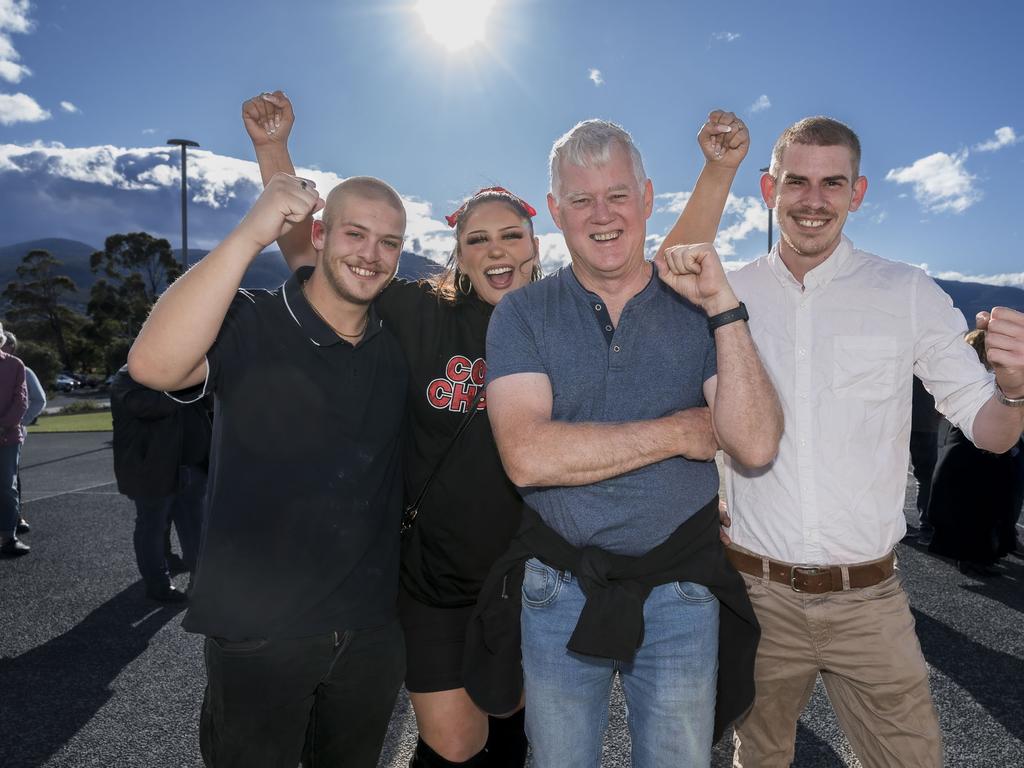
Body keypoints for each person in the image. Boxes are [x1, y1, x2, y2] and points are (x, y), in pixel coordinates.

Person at [242, 92, 750, 768]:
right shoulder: (422, 313)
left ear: (537, 243)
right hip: (438, 576)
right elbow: (317, 264)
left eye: (510, 235)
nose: (497, 251)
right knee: (455, 742)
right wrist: (273, 151)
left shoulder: (569, 312)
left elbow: (674, 260)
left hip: (534, 570)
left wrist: (716, 173)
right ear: (457, 252)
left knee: (522, 734)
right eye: (477, 240)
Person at [688, 116, 1024, 767]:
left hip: (869, 602)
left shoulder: (906, 293)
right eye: (797, 182)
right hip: (757, 595)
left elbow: (988, 429)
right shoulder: (729, 294)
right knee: (757, 755)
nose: (814, 200)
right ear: (769, 188)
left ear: (858, 192)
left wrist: (1013, 389)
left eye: (832, 183)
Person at [482, 117, 782, 768]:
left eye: (618, 194)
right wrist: (680, 431)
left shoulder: (697, 307)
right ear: (557, 211)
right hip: (558, 587)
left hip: (681, 592)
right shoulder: (523, 314)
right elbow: (528, 456)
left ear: (647, 200)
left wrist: (724, 306)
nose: (602, 215)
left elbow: (754, 446)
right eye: (582, 200)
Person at [128, 172, 409, 767]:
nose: (371, 253)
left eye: (389, 241)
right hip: (260, 632)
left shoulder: (398, 341)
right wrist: (251, 233)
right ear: (320, 234)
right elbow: (153, 366)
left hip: (371, 633)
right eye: (355, 233)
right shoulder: (253, 321)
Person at [927, 329, 1024, 576]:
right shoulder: (989, 379)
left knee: (970, 506)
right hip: (981, 453)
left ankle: (978, 554)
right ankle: (975, 557)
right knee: (983, 506)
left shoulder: (966, 378)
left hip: (963, 450)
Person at [110, 365, 210, 602]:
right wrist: (186, 382)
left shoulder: (184, 374)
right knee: (152, 529)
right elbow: (152, 407)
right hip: (152, 470)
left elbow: (209, 403)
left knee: (196, 530)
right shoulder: (128, 377)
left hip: (191, 467)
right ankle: (158, 585)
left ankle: (201, 583)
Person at [1, 331, 45, 535]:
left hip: (11, 432)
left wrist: (17, 423)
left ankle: (16, 519)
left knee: (10, 479)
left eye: (8, 343)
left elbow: (35, 400)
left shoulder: (21, 368)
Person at [0, 322, 28, 557]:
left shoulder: (14, 365)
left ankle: (9, 536)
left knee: (7, 487)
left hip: (7, 438)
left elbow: (21, 400)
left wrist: (3, 426)